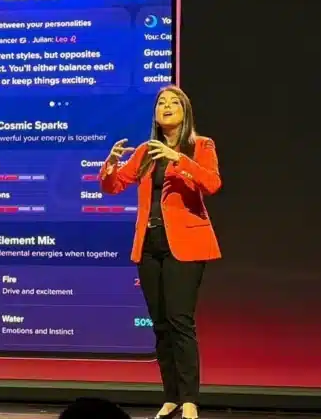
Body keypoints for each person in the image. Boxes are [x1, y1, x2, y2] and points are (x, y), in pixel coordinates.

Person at [99, 85, 222, 419]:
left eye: (173, 102)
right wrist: (111, 164)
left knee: (180, 322)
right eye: (160, 103)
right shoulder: (146, 151)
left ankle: (190, 400)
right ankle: (171, 397)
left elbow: (212, 184)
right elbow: (114, 186)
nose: (166, 106)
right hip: (150, 245)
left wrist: (178, 159)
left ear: (185, 111)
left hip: (185, 245)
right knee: (161, 325)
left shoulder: (201, 146)